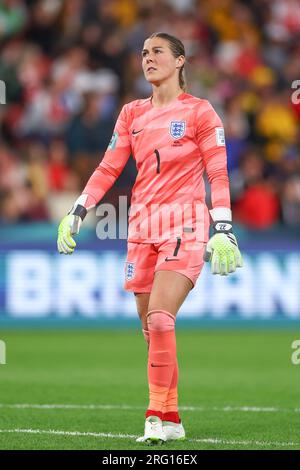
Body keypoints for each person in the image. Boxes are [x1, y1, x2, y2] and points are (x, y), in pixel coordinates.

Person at [57, 32, 243, 445]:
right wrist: (78, 209)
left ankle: (154, 417)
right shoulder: (131, 114)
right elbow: (108, 167)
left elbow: (218, 172)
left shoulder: (200, 112)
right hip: (141, 228)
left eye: (158, 51)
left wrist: (224, 227)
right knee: (151, 329)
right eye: (143, 53)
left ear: (180, 61)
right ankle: (173, 417)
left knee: (161, 317)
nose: (148, 58)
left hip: (187, 224)